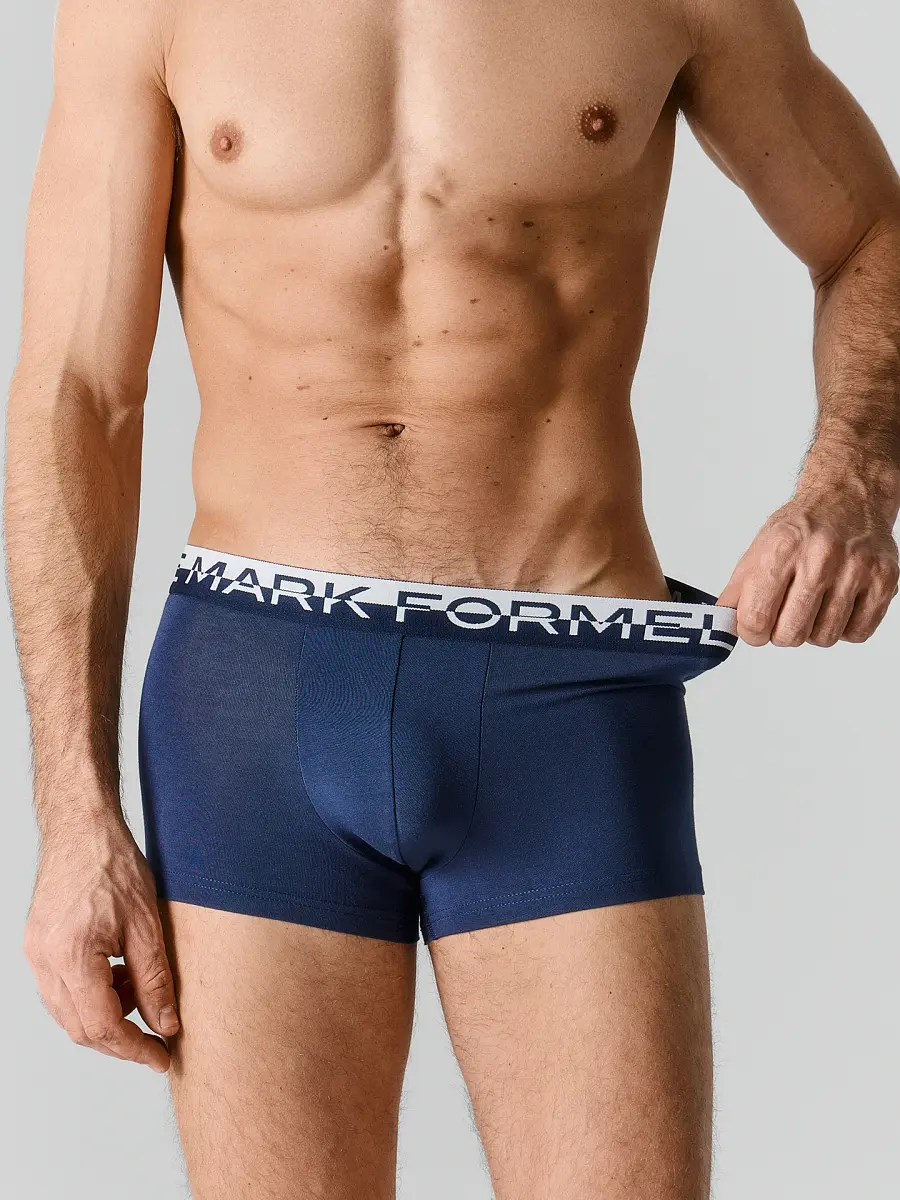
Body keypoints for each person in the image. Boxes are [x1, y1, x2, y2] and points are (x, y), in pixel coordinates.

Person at [6, 0, 899, 1196]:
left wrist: (851, 480)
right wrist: (75, 816)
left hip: (562, 694)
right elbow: (77, 391)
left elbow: (872, 230)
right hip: (256, 706)